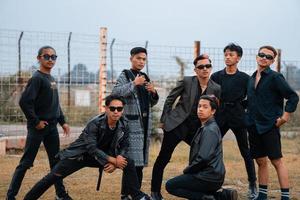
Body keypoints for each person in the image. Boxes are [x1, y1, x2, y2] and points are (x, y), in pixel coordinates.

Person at [23, 95, 151, 200]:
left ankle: (136, 196)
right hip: (79, 156)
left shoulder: (124, 123)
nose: (116, 112)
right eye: (112, 108)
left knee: (129, 162)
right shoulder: (95, 123)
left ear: (123, 110)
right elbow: (91, 148)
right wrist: (112, 161)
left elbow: (125, 145)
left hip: (99, 157)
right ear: (106, 108)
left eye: (119, 109)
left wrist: (118, 157)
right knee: (52, 177)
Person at [150, 54, 221, 200]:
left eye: (207, 66)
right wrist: (164, 119)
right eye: (201, 67)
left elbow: (215, 108)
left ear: (211, 68)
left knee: (200, 157)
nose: (205, 69)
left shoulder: (216, 87)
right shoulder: (187, 81)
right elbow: (170, 99)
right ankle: (155, 192)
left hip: (196, 129)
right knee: (163, 158)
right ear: (195, 70)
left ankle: (200, 191)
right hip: (177, 125)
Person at [6, 46, 71, 200]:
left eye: (53, 57)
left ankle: (60, 195)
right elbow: (24, 102)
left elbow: (55, 104)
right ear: (39, 58)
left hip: (52, 128)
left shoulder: (51, 78)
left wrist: (63, 122)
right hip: (38, 129)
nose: (50, 60)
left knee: (56, 162)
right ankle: (11, 196)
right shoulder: (37, 78)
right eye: (46, 56)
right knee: (26, 163)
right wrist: (35, 122)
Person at [246, 46, 299, 200]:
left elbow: (293, 97)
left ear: (273, 61)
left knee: (276, 161)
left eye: (268, 57)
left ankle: (285, 196)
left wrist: (285, 117)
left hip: (269, 125)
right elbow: (252, 101)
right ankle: (262, 195)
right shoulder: (251, 78)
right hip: (253, 126)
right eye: (261, 55)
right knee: (260, 160)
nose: (264, 58)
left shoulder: (275, 77)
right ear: (257, 57)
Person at [165, 95, 238, 200]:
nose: (200, 109)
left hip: (208, 177)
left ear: (213, 111)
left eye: (205, 107)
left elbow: (204, 157)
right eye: (199, 106)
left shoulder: (210, 130)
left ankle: (207, 198)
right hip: (211, 175)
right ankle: (223, 196)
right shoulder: (206, 126)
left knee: (170, 185)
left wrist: (188, 170)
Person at [211, 43, 257, 199]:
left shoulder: (245, 78)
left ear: (238, 58)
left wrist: (239, 106)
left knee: (246, 151)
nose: (227, 57)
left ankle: (252, 184)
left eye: (231, 55)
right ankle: (212, 181)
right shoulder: (216, 76)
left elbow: (251, 98)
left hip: (238, 116)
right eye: (226, 54)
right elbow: (212, 97)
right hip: (220, 115)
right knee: (212, 148)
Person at [112, 47, 159, 199]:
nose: (141, 61)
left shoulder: (145, 76)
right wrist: (134, 83)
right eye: (138, 58)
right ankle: (128, 195)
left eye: (144, 59)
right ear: (131, 58)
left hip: (144, 125)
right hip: (131, 126)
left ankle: (132, 194)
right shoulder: (125, 75)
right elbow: (116, 94)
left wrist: (153, 92)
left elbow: (151, 102)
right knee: (131, 163)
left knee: (139, 164)